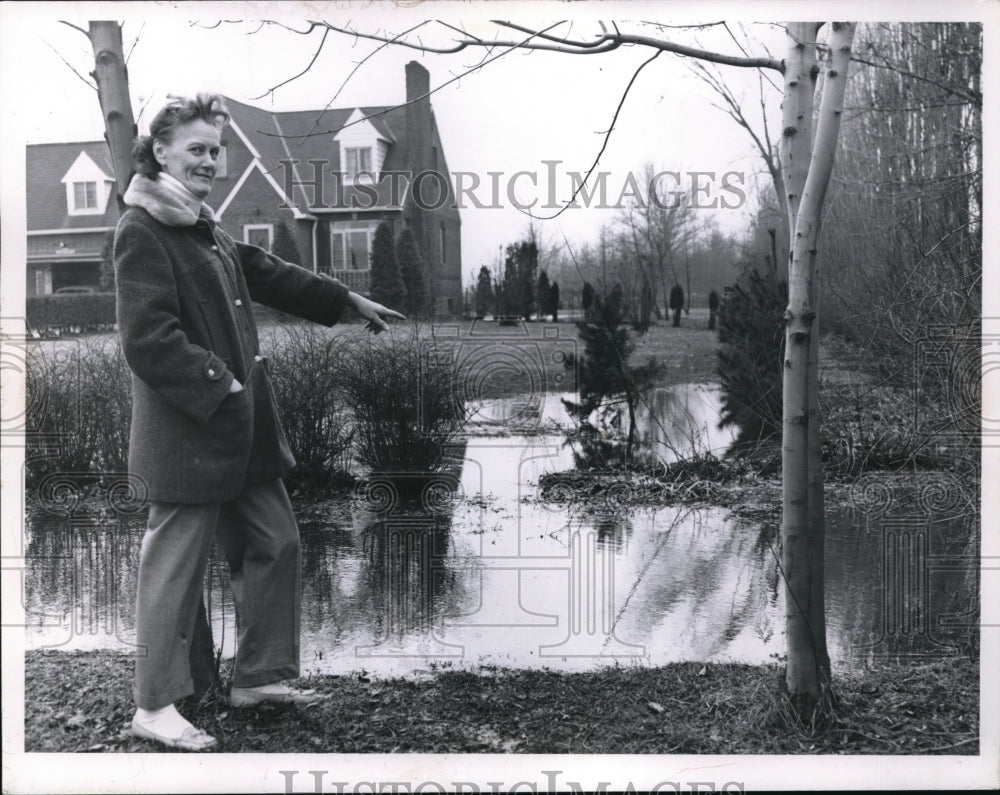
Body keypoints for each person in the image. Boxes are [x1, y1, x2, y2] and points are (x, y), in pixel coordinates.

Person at [114, 93, 403, 751]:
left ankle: (259, 677)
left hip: (241, 432)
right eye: (198, 149)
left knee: (278, 541)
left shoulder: (202, 226)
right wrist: (225, 384)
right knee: (174, 569)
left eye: (217, 150)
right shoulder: (143, 230)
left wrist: (343, 299)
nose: (212, 161)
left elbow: (264, 270)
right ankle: (154, 704)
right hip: (191, 434)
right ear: (159, 151)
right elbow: (147, 339)